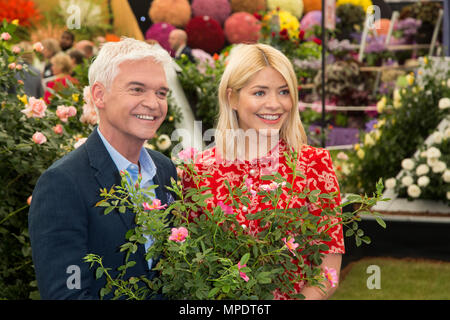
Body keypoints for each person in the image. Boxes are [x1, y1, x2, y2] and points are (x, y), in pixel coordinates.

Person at [182, 43, 345, 300]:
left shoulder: (314, 165)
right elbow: (191, 268)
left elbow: (327, 272)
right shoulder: (199, 172)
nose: (275, 104)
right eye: (259, 93)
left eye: (283, 92)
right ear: (231, 97)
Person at [28, 37, 178, 299]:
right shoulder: (63, 184)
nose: (153, 103)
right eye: (137, 89)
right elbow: (68, 294)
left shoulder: (164, 170)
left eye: (161, 93)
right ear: (99, 95)